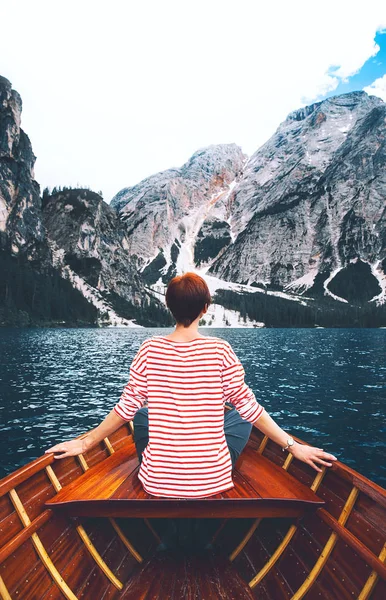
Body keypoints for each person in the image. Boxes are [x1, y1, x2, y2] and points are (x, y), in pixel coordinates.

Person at [46, 272, 337, 499]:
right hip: (213, 479)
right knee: (240, 418)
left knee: (142, 414)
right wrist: (293, 446)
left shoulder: (148, 350)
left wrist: (85, 443)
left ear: (168, 307)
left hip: (156, 481)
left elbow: (125, 408)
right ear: (205, 309)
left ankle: (160, 463)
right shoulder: (221, 350)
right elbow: (251, 409)